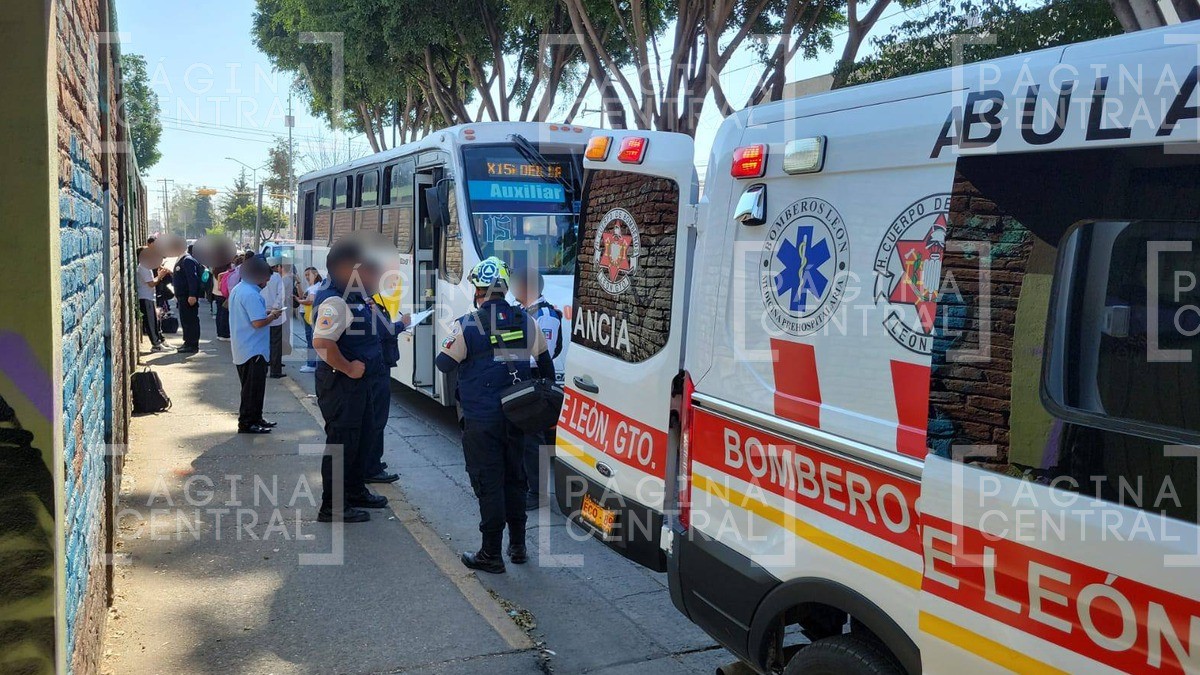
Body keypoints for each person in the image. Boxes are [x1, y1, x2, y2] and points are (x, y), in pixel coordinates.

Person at [436, 257, 555, 574]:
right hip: (517, 416)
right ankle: (518, 547)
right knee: (515, 481)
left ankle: (491, 553)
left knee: (489, 484)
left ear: (478, 289)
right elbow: (546, 368)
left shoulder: (467, 324)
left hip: (482, 419)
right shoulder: (525, 320)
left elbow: (443, 364)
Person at [311, 240, 389, 523]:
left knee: (361, 439)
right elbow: (322, 343)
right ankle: (333, 506)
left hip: (359, 384)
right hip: (341, 384)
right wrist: (348, 368)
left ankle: (355, 492)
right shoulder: (334, 300)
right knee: (342, 445)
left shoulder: (351, 294)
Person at [511, 269, 564, 510]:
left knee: (533, 440)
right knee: (521, 438)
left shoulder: (545, 315)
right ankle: (526, 485)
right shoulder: (522, 312)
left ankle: (538, 492)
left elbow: (544, 354)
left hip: (533, 379)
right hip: (520, 378)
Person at [361, 261, 409, 485]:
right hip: (378, 367)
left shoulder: (368, 301)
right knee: (376, 418)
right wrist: (403, 324)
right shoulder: (368, 303)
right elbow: (384, 331)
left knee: (376, 418)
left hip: (379, 365)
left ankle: (373, 462)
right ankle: (371, 467)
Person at [228, 256, 283, 434]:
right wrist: (273, 316)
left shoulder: (240, 289)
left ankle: (256, 417)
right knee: (252, 389)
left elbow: (250, 315)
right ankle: (247, 422)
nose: (267, 282)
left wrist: (265, 312)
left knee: (254, 388)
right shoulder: (251, 294)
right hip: (253, 350)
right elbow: (258, 323)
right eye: (266, 278)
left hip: (244, 346)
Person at [295, 267, 328, 373]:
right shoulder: (313, 286)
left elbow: (310, 300)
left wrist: (299, 301)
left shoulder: (316, 287)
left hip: (310, 316)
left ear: (315, 274)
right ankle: (311, 363)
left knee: (311, 339)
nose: (307, 277)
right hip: (307, 315)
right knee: (309, 339)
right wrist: (298, 283)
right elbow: (303, 296)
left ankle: (312, 364)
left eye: (308, 275)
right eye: (305, 275)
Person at [136, 247, 169, 352]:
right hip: (145, 297)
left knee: (154, 320)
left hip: (149, 297)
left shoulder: (146, 266)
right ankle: (155, 345)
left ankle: (158, 342)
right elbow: (151, 283)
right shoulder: (143, 267)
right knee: (150, 322)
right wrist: (160, 276)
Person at [261, 257, 289, 378]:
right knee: (276, 344)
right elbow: (281, 294)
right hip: (275, 315)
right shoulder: (277, 277)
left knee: (263, 342)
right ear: (276, 267)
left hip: (261, 313)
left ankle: (263, 367)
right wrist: (275, 307)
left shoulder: (258, 277)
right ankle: (275, 371)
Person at [174, 244, 204, 353]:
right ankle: (187, 342)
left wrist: (192, 295)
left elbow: (192, 279)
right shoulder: (182, 259)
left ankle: (192, 344)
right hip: (183, 296)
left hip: (188, 297)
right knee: (185, 320)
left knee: (190, 321)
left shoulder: (187, 260)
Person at [213, 262, 232, 341]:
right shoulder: (226, 271)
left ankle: (219, 333)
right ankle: (225, 334)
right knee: (225, 314)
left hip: (216, 292)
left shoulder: (215, 268)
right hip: (224, 293)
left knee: (219, 313)